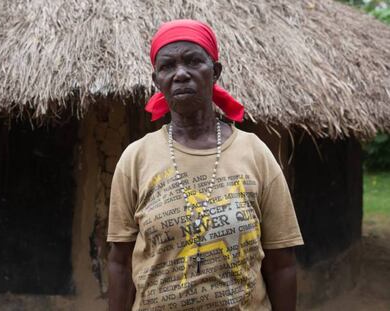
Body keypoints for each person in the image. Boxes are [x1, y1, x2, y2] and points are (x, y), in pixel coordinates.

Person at [107, 19, 304, 311]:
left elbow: (281, 265)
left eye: (193, 61)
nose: (181, 74)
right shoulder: (136, 159)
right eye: (167, 66)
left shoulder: (255, 153)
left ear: (215, 72)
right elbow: (119, 262)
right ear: (156, 80)